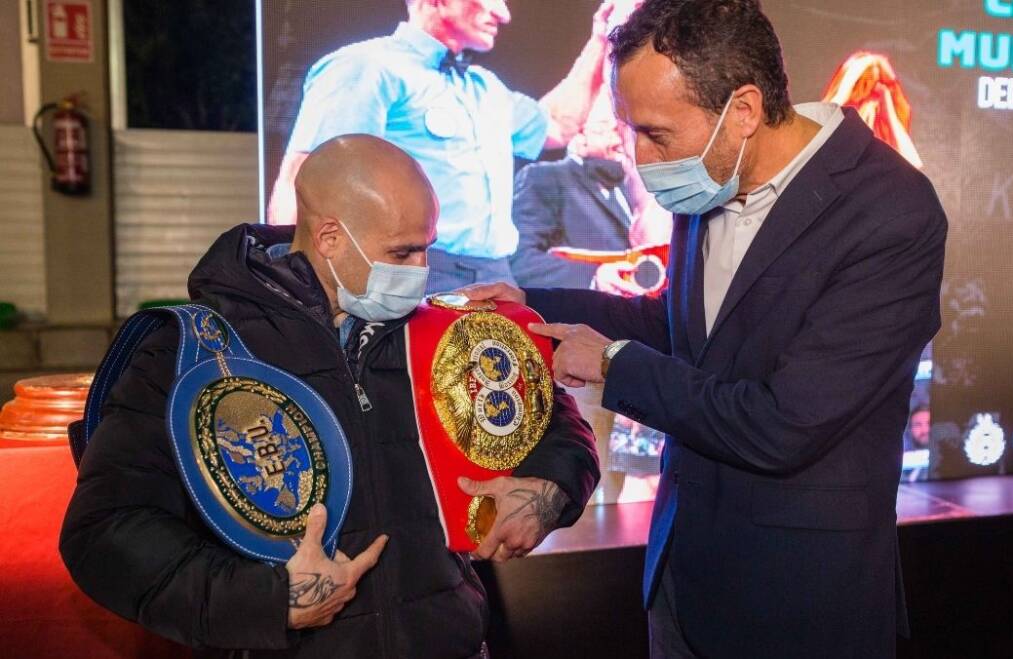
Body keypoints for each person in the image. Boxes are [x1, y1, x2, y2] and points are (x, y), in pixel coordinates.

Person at [464, 1, 948, 656]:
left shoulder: (889, 214)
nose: (638, 154)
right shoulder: (712, 173)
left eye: (656, 134)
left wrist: (612, 366)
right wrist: (528, 303)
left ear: (743, 110)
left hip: (799, 611)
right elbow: (683, 326)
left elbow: (785, 425)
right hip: (682, 584)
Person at [59, 135, 599, 658]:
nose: (422, 272)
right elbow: (105, 533)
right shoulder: (196, 350)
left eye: (427, 248)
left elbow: (560, 427)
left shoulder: (436, 330)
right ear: (330, 238)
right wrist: (268, 601)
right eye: (403, 252)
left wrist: (547, 491)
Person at [268, 0, 615, 293]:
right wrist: (293, 287)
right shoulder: (368, 68)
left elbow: (559, 125)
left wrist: (602, 37)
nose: (503, 13)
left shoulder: (485, 87)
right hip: (412, 274)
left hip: (498, 278)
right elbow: (304, 180)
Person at [510, 107, 634, 290]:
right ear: (579, 137)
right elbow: (520, 262)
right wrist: (594, 279)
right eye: (608, 129)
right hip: (579, 311)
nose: (619, 139)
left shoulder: (626, 188)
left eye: (623, 129)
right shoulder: (545, 176)